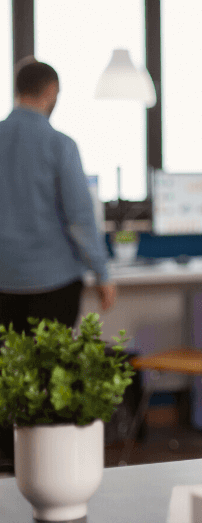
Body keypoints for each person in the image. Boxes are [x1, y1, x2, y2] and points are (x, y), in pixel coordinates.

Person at [0, 59, 115, 472]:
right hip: (53, 280)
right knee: (50, 377)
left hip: (3, 282)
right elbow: (80, 218)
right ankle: (45, 467)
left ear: (18, 90)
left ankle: (7, 464)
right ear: (50, 93)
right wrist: (102, 273)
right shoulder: (60, 145)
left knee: (6, 373)